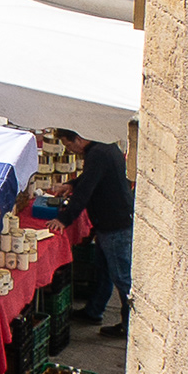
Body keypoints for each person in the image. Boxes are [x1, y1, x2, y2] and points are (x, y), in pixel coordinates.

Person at [58, 132, 134, 335]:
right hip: (109, 222)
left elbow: (85, 191)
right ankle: (94, 311)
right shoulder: (105, 146)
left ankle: (130, 326)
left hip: (114, 224)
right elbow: (91, 177)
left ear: (79, 140)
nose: (71, 151)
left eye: (70, 146)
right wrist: (71, 185)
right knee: (104, 270)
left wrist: (64, 220)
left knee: (121, 277)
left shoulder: (97, 154)